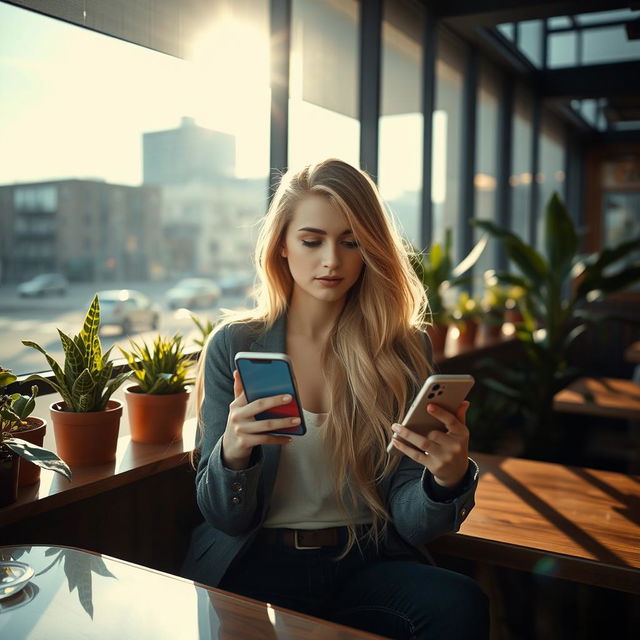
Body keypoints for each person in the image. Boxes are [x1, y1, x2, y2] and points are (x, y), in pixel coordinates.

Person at [181, 159, 489, 639]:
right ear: (282, 245)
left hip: (363, 556)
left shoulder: (402, 350)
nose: (332, 261)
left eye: (351, 242)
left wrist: (444, 482)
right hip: (256, 559)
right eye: (312, 241)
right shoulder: (235, 344)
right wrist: (234, 452)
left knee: (459, 602)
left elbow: (413, 522)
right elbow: (223, 515)